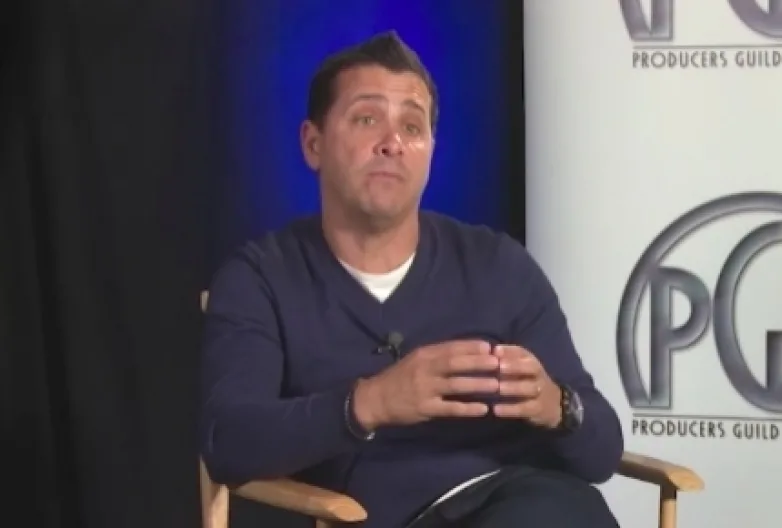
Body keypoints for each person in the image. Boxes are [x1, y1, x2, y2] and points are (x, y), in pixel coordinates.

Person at [198, 31, 624, 528]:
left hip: (530, 502)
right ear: (313, 144)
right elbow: (229, 442)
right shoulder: (260, 279)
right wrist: (370, 403)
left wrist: (558, 406)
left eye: (412, 127)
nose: (392, 143)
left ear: (430, 153)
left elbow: (603, 452)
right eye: (367, 119)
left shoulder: (498, 265)